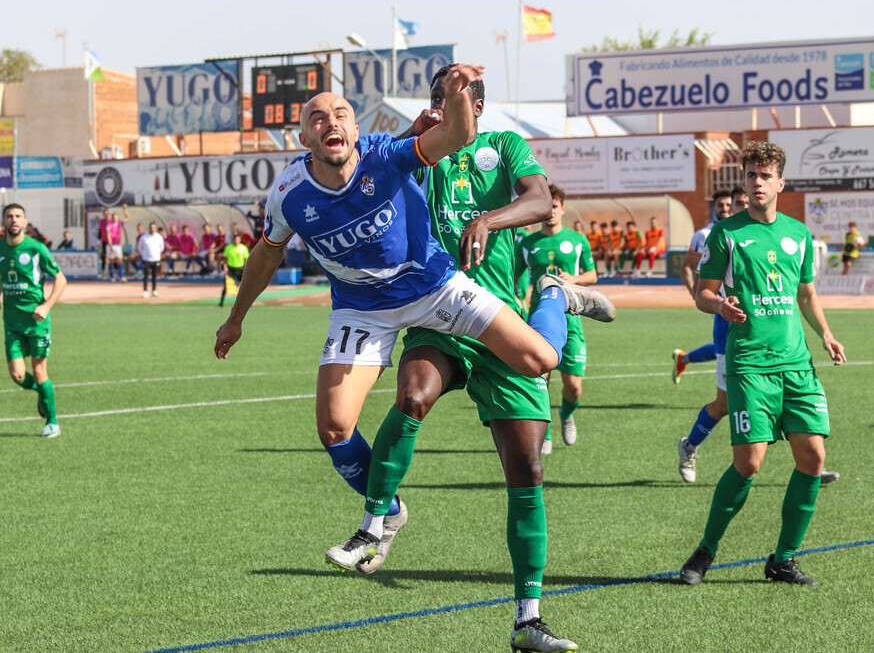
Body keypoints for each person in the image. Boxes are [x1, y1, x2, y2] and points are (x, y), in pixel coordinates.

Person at [214, 69, 609, 652]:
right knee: (346, 420)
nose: (332, 123)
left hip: (438, 291)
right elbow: (267, 254)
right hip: (367, 310)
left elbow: (462, 142)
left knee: (539, 374)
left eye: (342, 113)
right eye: (318, 117)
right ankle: (382, 515)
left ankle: (553, 292)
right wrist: (237, 315)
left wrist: (455, 97)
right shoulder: (289, 194)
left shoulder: (434, 149)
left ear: (355, 124)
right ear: (303, 137)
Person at [324, 67, 587, 652]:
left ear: (479, 103)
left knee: (527, 473)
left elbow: (541, 199)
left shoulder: (506, 146)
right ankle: (374, 525)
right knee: (412, 395)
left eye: (454, 95)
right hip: (438, 312)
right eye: (437, 95)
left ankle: (528, 619)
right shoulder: (423, 149)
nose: (441, 104)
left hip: (494, 317)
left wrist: (487, 218)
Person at [679, 141, 846, 587]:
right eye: (751, 175)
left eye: (764, 176)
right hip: (750, 364)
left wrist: (826, 335)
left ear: (780, 183)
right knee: (749, 463)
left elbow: (806, 294)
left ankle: (783, 560)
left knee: (813, 458)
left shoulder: (798, 233)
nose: (756, 183)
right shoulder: (727, 234)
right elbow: (703, 292)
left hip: (796, 364)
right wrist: (721, 308)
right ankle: (705, 551)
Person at [517, 184, 596, 454]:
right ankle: (546, 433)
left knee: (573, 386)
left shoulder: (577, 241)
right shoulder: (527, 244)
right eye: (546, 206)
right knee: (541, 380)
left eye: (554, 206)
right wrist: (518, 299)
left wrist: (574, 279)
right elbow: (514, 278)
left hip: (571, 320)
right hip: (537, 322)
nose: (550, 212)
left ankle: (566, 414)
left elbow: (592, 275)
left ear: (562, 209)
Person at [0, 204, 67, 438]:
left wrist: (46, 306)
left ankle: (52, 422)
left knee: (39, 370)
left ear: (25, 222)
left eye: (18, 217)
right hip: (11, 323)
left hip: (36, 322)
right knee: (18, 375)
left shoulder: (36, 249)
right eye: (9, 217)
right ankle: (42, 393)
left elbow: (60, 279)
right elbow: (0, 274)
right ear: (4, 222)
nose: (13, 220)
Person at [672, 190, 734, 385]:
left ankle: (683, 359)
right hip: (719, 300)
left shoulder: (739, 231)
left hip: (740, 299)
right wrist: (697, 295)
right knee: (725, 347)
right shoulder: (703, 235)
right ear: (713, 208)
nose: (724, 209)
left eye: (727, 205)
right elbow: (687, 267)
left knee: (727, 346)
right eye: (720, 205)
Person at [220, 232, 249, 307]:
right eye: (235, 239)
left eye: (238, 239)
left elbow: (246, 259)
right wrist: (225, 267)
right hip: (230, 268)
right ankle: (221, 303)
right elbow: (225, 259)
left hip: (240, 268)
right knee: (226, 285)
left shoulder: (243, 248)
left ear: (240, 240)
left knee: (243, 286)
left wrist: (246, 269)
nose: (236, 240)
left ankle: (246, 303)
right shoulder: (228, 248)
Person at [138, 222, 164, 298]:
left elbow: (161, 247)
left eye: (154, 227)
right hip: (146, 259)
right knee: (146, 275)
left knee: (154, 275)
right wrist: (144, 254)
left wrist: (157, 255)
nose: (152, 229)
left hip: (155, 259)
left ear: (155, 228)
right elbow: (140, 247)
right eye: (151, 227)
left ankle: (154, 290)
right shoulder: (144, 237)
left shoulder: (159, 237)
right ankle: (145, 290)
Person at [104, 210, 127, 282]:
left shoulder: (120, 224)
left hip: (117, 245)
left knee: (120, 260)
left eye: (116, 217)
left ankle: (122, 276)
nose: (115, 218)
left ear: (118, 218)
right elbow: (108, 236)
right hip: (111, 245)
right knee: (111, 261)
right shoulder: (109, 225)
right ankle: (112, 277)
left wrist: (125, 209)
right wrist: (110, 246)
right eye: (113, 217)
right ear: (112, 218)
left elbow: (127, 217)